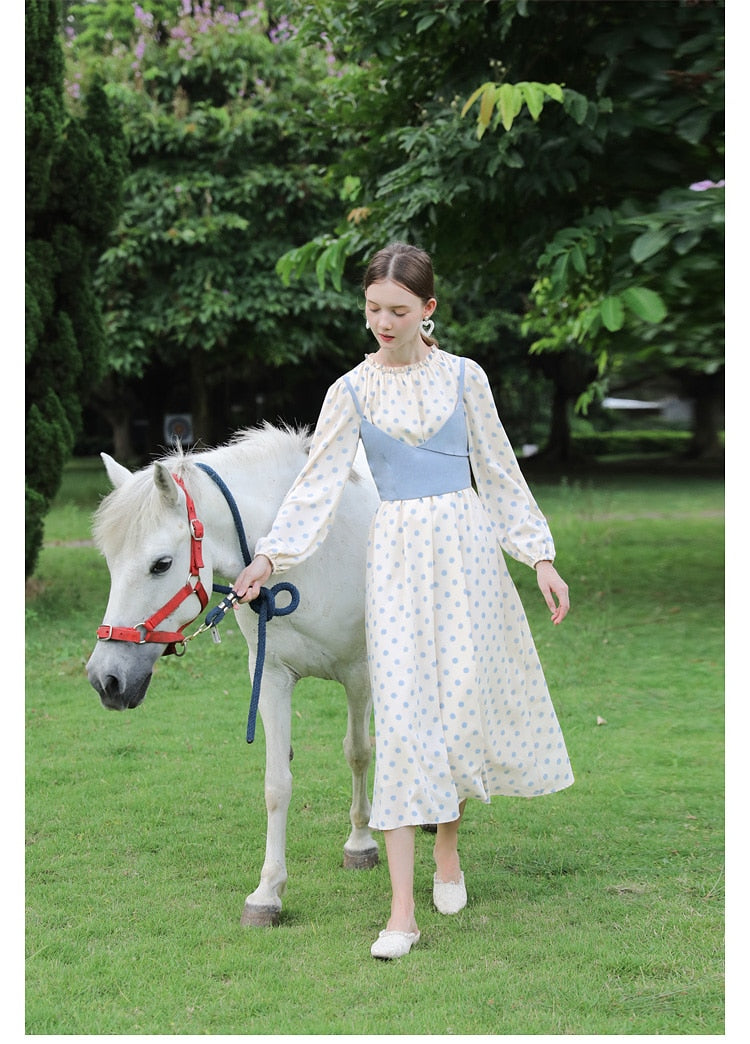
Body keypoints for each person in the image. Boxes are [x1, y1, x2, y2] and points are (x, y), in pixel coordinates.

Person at [233, 242, 574, 960]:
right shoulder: (349, 391)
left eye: (397, 310)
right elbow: (316, 489)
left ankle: (447, 848)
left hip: (467, 555)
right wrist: (268, 558)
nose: (383, 323)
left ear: (428, 309)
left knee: (458, 712)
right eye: (372, 309)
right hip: (394, 561)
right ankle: (400, 914)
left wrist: (539, 556)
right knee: (403, 724)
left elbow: (500, 473)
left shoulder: (466, 378)